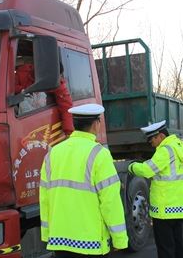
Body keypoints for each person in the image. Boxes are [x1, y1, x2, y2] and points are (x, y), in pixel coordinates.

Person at [39, 103, 128, 257]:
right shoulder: (99, 154)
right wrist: (119, 240)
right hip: (91, 244)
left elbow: (45, 198)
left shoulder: (52, 153)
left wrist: (47, 234)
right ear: (95, 124)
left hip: (60, 241)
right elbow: (110, 201)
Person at [128, 120, 183, 258]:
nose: (151, 143)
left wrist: (131, 166)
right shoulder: (181, 146)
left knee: (165, 248)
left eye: (152, 139)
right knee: (178, 243)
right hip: (178, 208)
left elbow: (147, 170)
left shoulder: (165, 150)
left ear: (160, 136)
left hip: (164, 209)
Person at [15, 61, 74, 136]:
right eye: (55, 76)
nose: (57, 78)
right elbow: (9, 88)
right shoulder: (22, 72)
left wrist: (68, 131)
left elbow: (66, 107)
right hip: (20, 121)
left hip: (40, 123)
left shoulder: (57, 83)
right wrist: (26, 90)